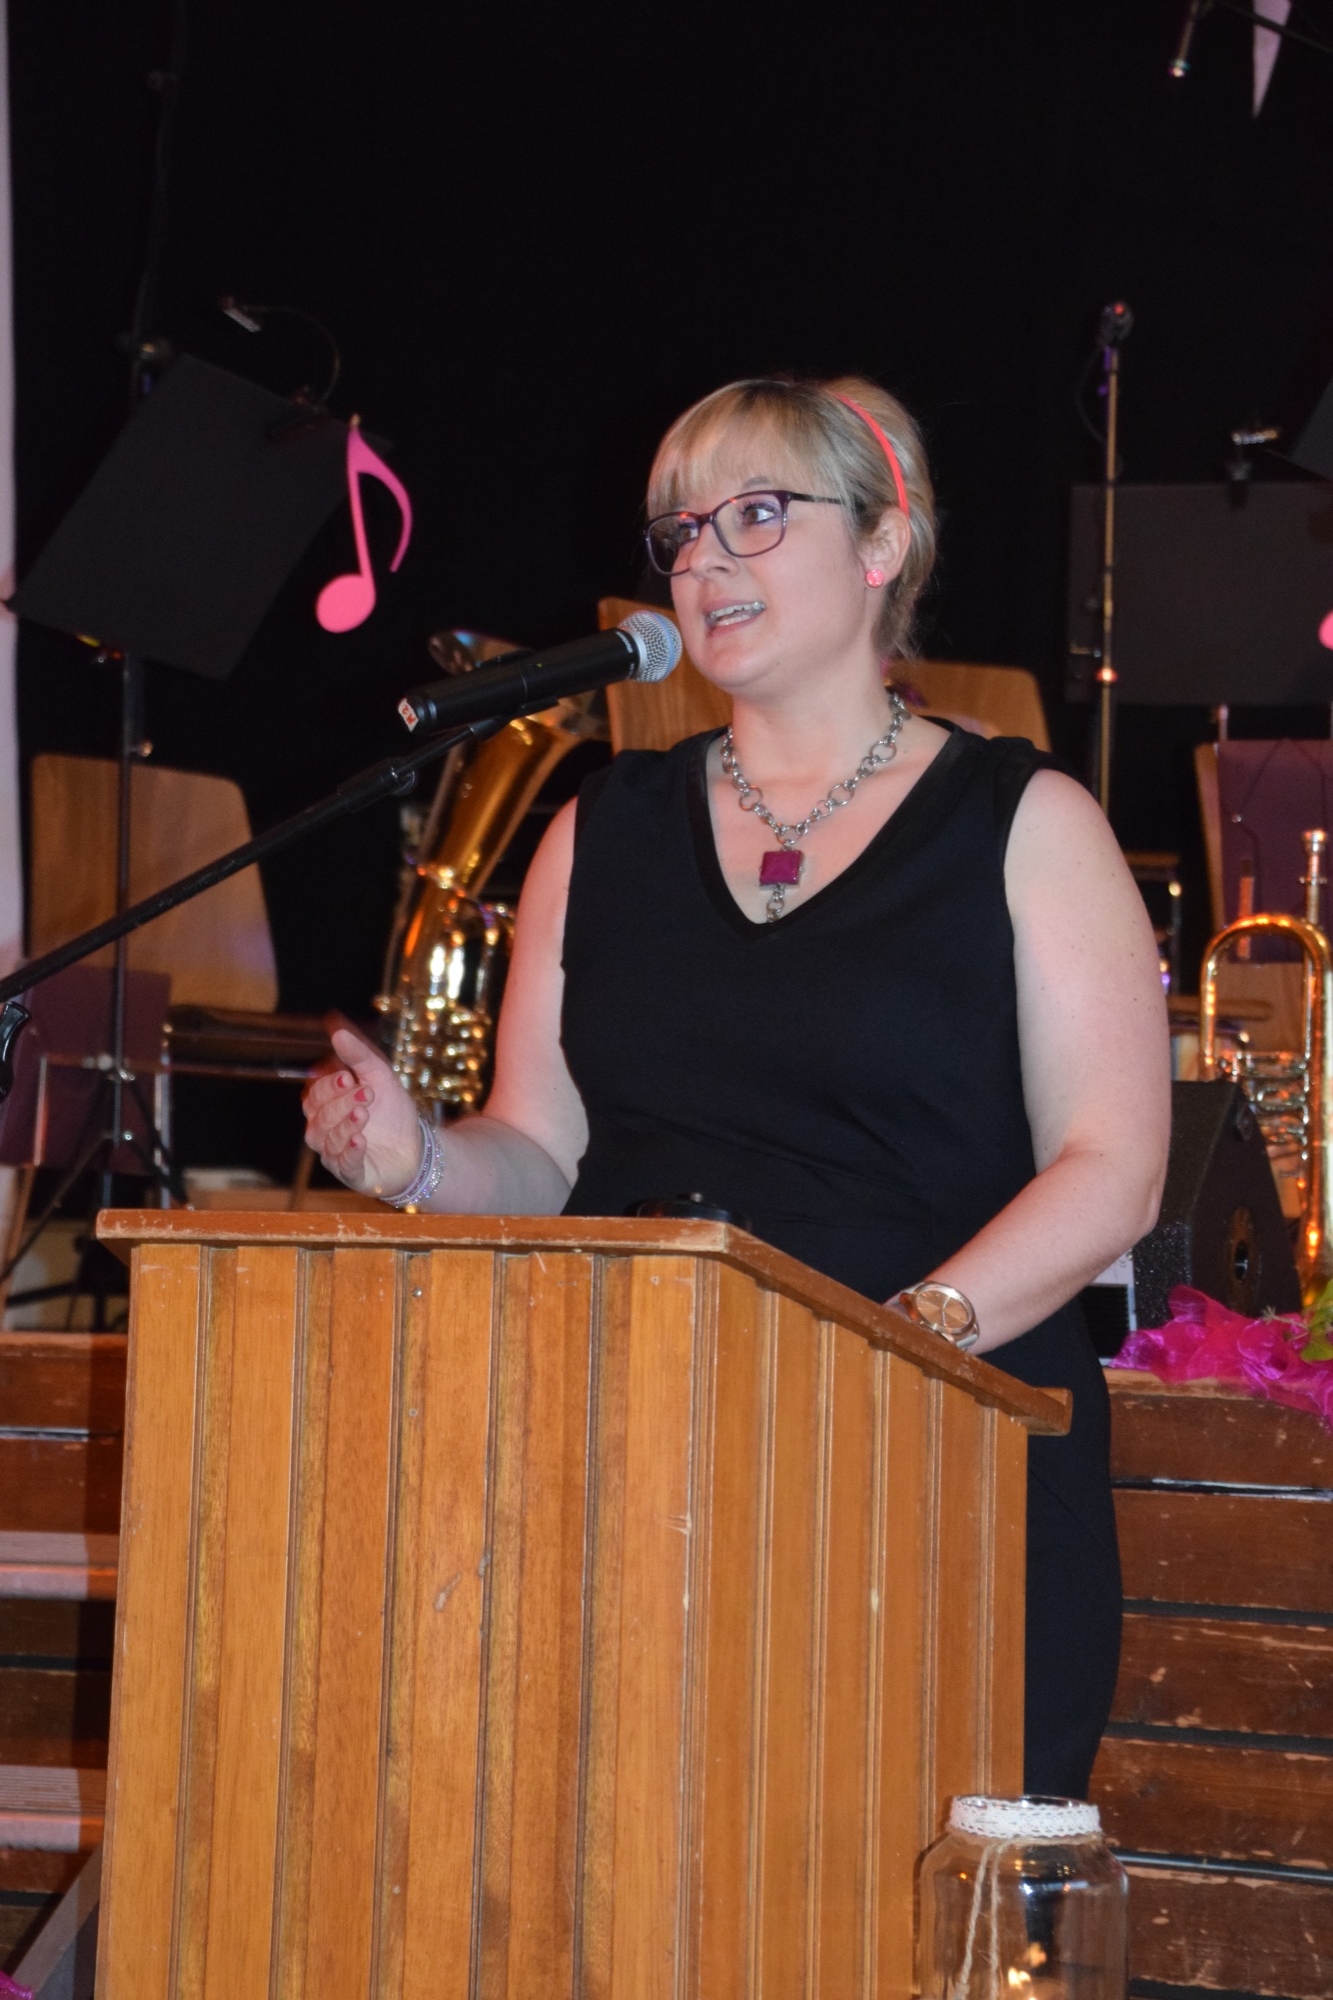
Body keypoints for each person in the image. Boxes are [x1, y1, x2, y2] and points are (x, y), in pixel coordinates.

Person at [304, 374, 1171, 1795]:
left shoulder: (1024, 820)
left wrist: (898, 1342)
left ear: (883, 542)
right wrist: (417, 1162)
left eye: (757, 515)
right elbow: (541, 1149)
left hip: (933, 1450)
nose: (704, 559)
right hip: (644, 1458)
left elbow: (1111, 1168)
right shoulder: (602, 827)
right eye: (681, 532)